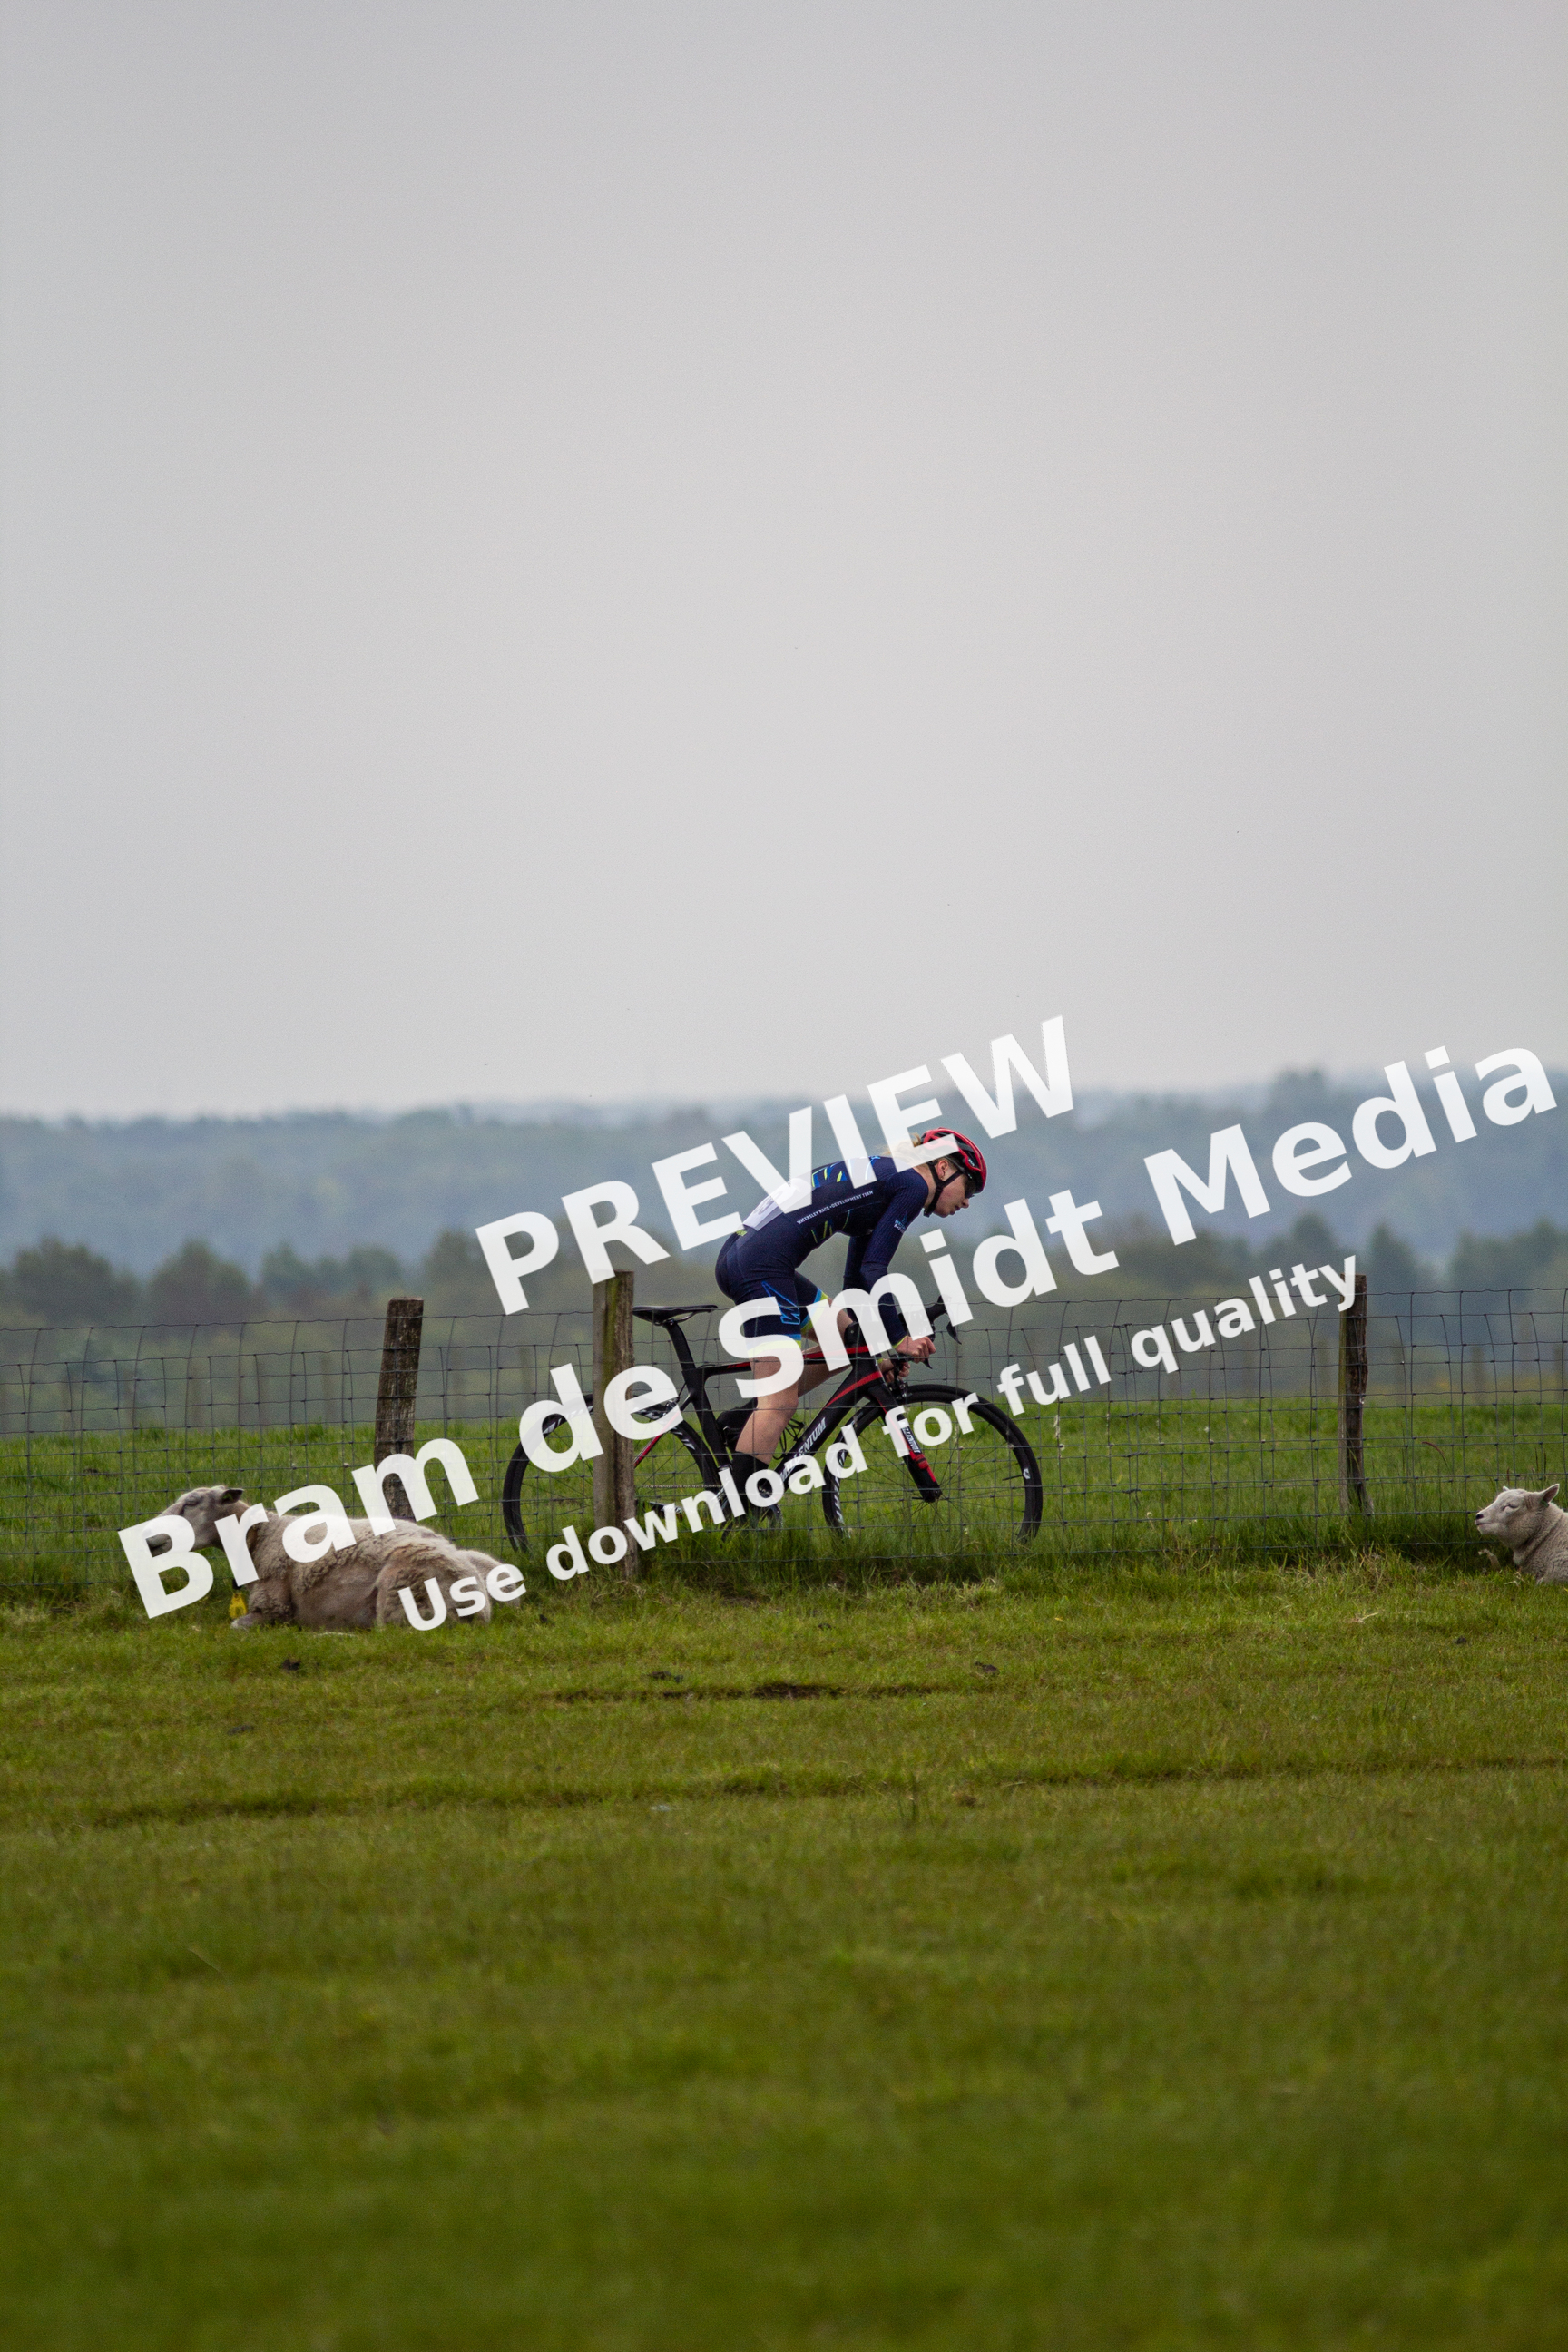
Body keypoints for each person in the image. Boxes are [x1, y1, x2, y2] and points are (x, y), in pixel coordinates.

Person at [714, 1127, 988, 1505]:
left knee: (850, 1341)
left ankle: (743, 1422)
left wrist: (880, 1348)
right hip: (762, 1268)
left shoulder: (890, 1179)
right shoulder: (910, 1185)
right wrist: (898, 1339)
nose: (969, 1201)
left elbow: (856, 1280)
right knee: (779, 1402)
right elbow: (876, 1270)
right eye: (970, 1187)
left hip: (750, 1256)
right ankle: (739, 1514)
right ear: (943, 1168)